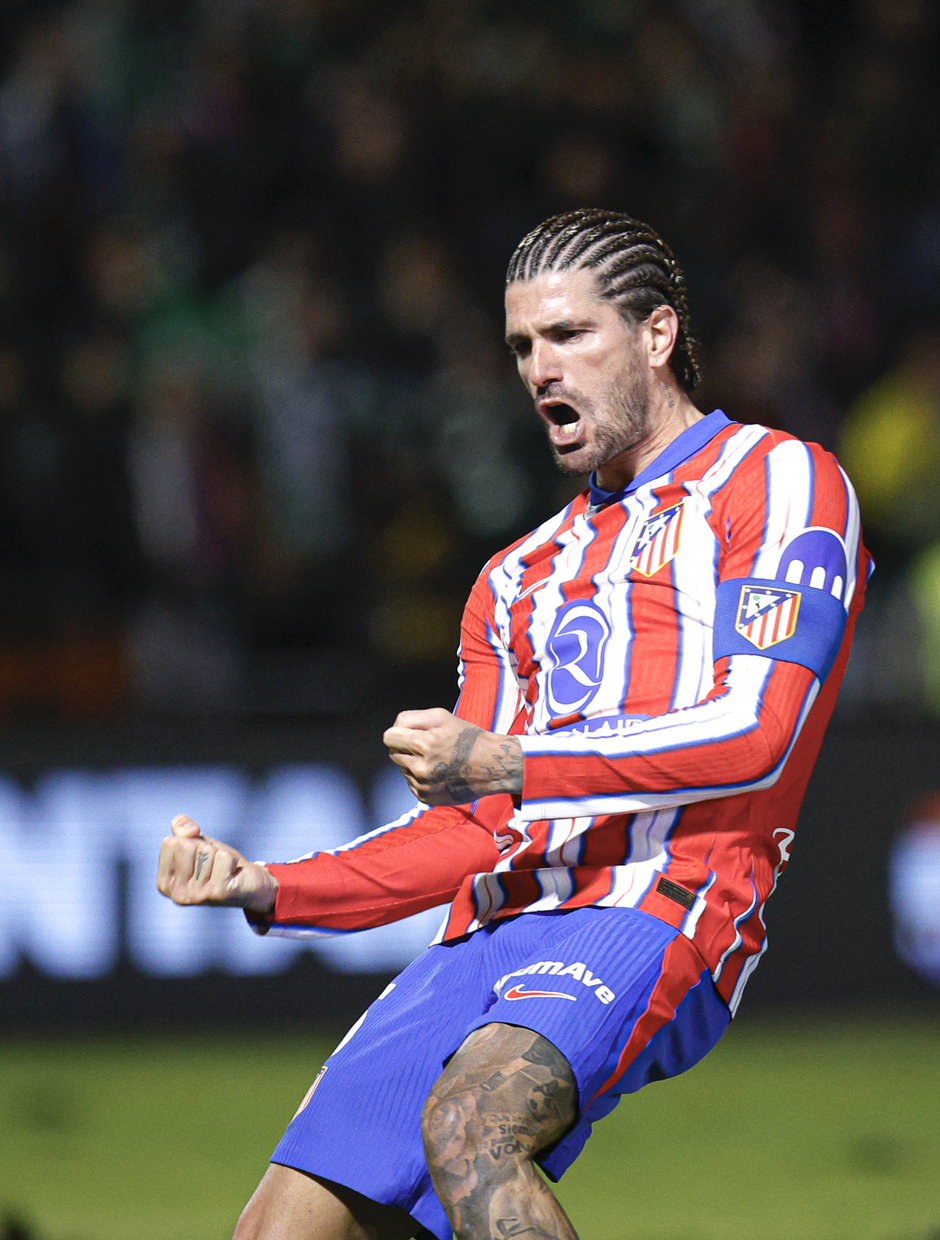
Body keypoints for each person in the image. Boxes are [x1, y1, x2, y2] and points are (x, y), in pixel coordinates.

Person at [157, 209, 870, 1240]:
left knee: (473, 1127)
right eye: (523, 346)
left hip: (659, 902)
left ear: (657, 335)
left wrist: (509, 758)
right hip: (489, 927)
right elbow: (474, 828)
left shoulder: (779, 480)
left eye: (570, 335)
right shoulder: (513, 579)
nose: (541, 368)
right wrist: (273, 885)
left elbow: (756, 730)